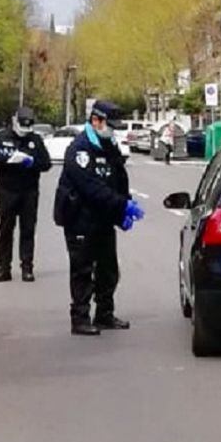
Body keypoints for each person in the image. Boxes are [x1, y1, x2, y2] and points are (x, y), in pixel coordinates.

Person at [57, 99, 144, 336]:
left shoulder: (108, 144)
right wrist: (122, 204)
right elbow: (91, 188)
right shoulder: (79, 149)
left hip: (103, 218)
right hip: (80, 217)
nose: (113, 130)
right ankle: (80, 318)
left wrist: (122, 210)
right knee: (82, 270)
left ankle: (104, 313)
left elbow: (117, 178)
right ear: (96, 120)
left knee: (108, 269)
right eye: (110, 125)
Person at [0, 107, 52, 283]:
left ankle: (27, 267)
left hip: (29, 191)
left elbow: (46, 163)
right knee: (5, 230)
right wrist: (8, 161)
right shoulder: (0, 138)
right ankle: (4, 268)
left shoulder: (35, 140)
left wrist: (31, 162)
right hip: (7, 191)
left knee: (28, 230)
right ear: (15, 121)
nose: (25, 131)